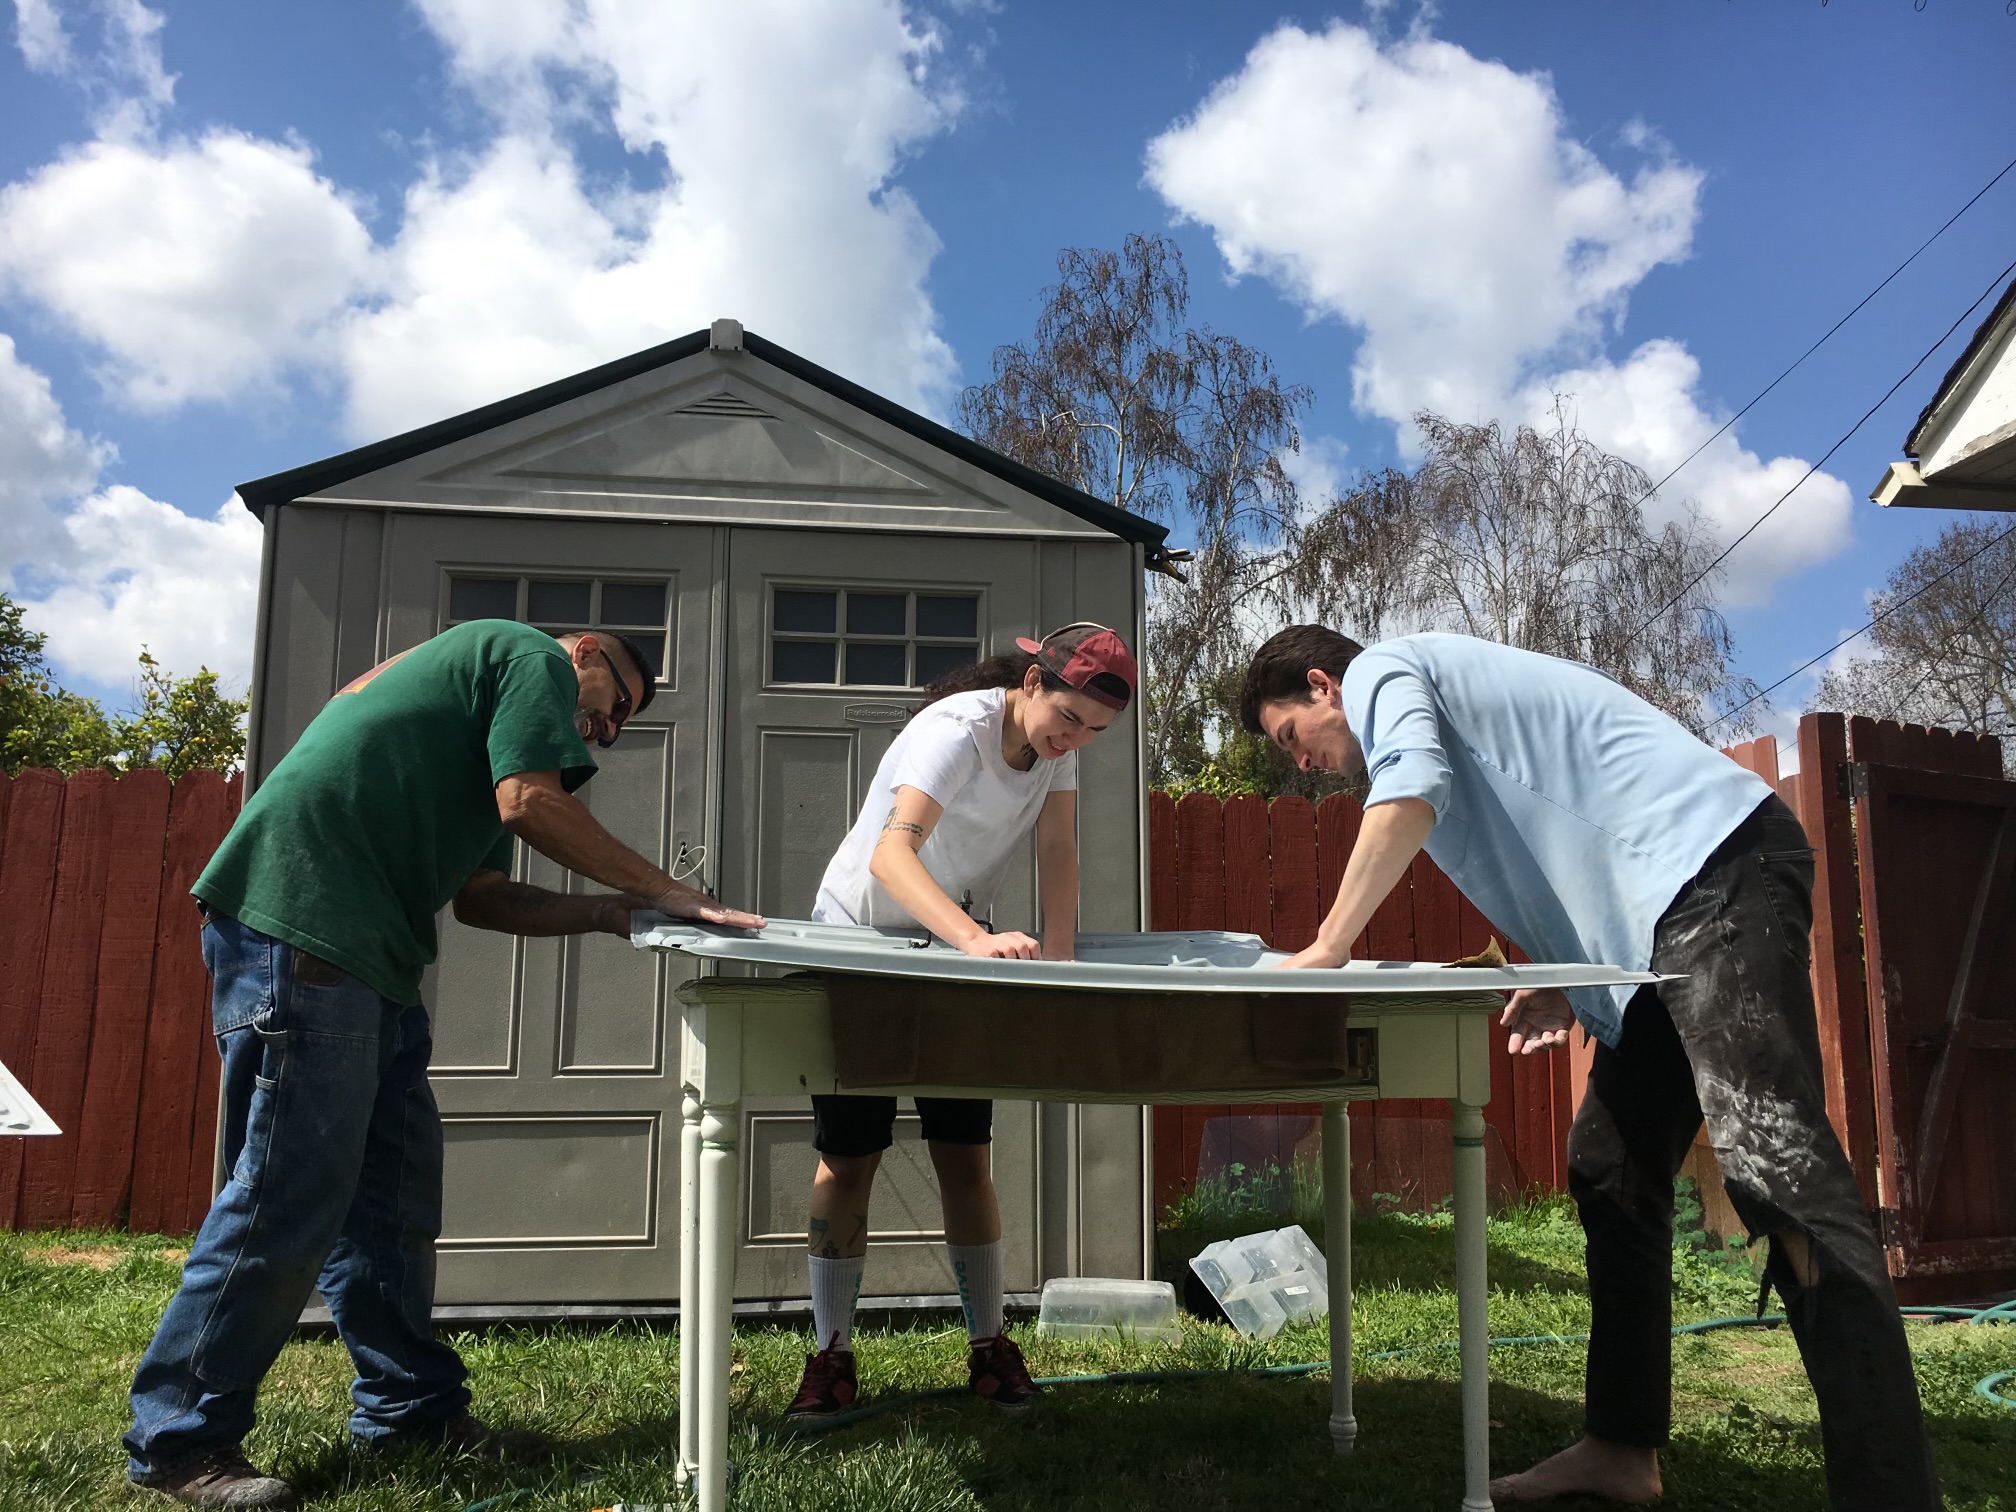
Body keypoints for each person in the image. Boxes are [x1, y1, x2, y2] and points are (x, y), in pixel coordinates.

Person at [1239, 625, 1938, 1512]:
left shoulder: (1383, 670)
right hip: (1669, 914)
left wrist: (1328, 949)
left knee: (1784, 1180)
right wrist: (1569, 986)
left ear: (1321, 686)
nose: (1299, 764)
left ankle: (1890, 1494)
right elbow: (1581, 839)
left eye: (1287, 737)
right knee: (1611, 1168)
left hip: (1718, 871)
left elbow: (1415, 787)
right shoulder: (1431, 692)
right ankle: (1620, 1451)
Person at [125, 619, 764, 1509]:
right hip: (304, 925)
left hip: (369, 958)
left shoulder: (480, 732)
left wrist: (613, 912)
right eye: (617, 703)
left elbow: (484, 899)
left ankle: (407, 1409)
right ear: (583, 652)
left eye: (621, 727)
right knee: (283, 1194)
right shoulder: (525, 654)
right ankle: (179, 1438)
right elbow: (531, 805)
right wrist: (669, 888)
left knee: (391, 1204)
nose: (607, 732)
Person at [782, 622, 1138, 1422]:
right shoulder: (953, 732)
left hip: (952, 954)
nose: (1073, 738)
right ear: (1034, 681)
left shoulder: (1058, 754)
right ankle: (832, 1354)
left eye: (1094, 731)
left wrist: (1062, 964)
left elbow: (1058, 852)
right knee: (849, 1157)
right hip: (863, 947)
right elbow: (891, 856)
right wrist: (977, 940)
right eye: (1069, 718)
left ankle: (988, 1345)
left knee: (964, 1154)